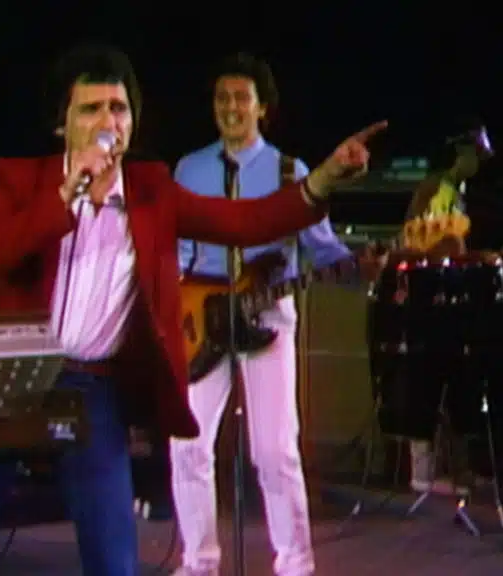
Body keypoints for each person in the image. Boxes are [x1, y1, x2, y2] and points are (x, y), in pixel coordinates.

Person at [0, 43, 387, 576]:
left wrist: (322, 179)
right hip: (16, 377)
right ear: (62, 124)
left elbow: (244, 222)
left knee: (115, 561)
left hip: (90, 385)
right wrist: (65, 194)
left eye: (118, 109)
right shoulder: (20, 178)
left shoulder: (152, 189)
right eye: (90, 109)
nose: (107, 121)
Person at [169, 52, 351, 576]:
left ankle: (294, 563)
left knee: (275, 451)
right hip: (201, 316)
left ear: (262, 108)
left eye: (241, 98)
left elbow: (322, 247)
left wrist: (356, 264)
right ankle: (198, 561)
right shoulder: (188, 169)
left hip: (266, 313)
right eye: (222, 98)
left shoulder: (291, 172)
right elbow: (176, 250)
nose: (230, 107)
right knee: (187, 444)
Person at [397, 119, 493, 497]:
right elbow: (421, 239)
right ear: (460, 153)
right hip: (429, 297)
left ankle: (457, 470)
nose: (478, 163)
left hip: (446, 295)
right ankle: (423, 473)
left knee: (455, 379)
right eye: (474, 155)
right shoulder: (437, 188)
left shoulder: (455, 191)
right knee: (429, 378)